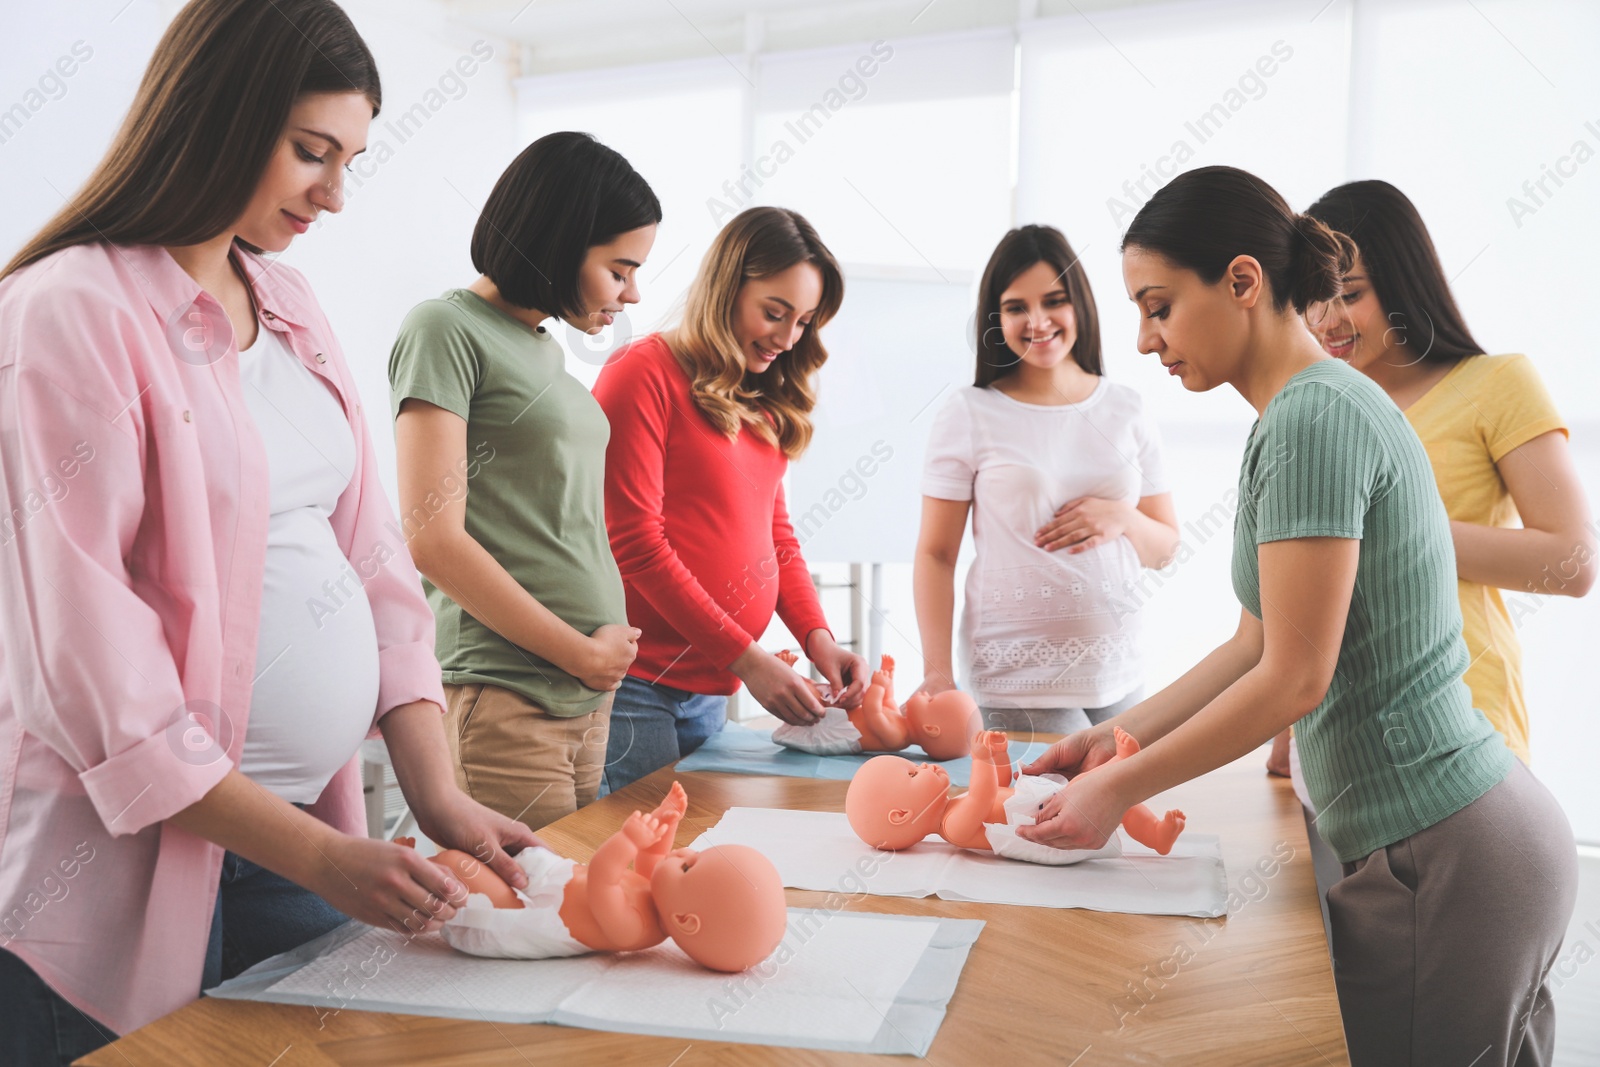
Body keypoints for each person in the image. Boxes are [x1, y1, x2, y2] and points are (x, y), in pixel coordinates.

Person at [0, 3, 534, 1061]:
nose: (335, 194)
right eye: (309, 153)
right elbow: (88, 659)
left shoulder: (287, 300)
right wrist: (323, 860)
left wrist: (435, 791)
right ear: (216, 117)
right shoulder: (69, 309)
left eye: (351, 160)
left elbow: (374, 564)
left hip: (300, 844)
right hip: (117, 879)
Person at [1018, 166, 1577, 1066]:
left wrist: (1120, 789)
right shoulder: (1306, 407)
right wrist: (1113, 739)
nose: (1145, 338)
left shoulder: (1313, 416)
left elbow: (1295, 677)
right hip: (1463, 841)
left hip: (1448, 852)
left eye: (1158, 305)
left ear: (1242, 281)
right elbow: (1257, 641)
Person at [390, 132, 659, 831]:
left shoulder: (541, 348)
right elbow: (433, 539)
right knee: (522, 919)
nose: (632, 294)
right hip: (509, 691)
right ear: (562, 240)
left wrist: (595, 661)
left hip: (580, 694)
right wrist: (581, 651)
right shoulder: (445, 329)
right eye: (620, 269)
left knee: (577, 915)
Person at [592, 206, 868, 793]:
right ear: (726, 286)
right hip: (636, 686)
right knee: (644, 866)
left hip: (710, 689)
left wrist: (818, 639)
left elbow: (778, 540)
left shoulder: (763, 401)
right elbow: (635, 543)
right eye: (774, 312)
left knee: (695, 863)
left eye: (803, 322)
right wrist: (747, 659)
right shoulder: (641, 373)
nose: (788, 338)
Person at [913, 225, 1178, 735]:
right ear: (998, 318)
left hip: (1119, 674)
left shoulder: (1126, 409)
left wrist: (1123, 517)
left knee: (1122, 813)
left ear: (1079, 305)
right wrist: (937, 672)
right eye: (1016, 307)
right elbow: (936, 554)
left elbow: (1164, 549)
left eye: (1054, 300)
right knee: (1046, 810)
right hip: (1018, 680)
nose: (1037, 321)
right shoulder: (970, 412)